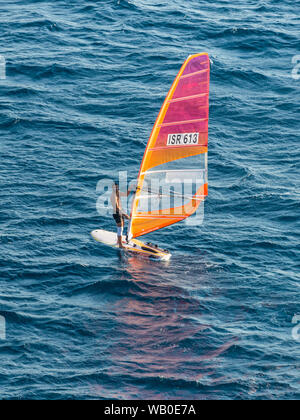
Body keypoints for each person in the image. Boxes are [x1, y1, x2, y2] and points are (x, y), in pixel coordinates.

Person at [111, 181, 132, 248]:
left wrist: (131, 188)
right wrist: (124, 214)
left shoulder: (118, 193)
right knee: (120, 228)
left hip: (120, 212)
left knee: (122, 227)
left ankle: (118, 241)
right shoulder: (113, 196)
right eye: (114, 187)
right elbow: (116, 208)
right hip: (117, 213)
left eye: (117, 187)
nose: (116, 188)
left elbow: (126, 195)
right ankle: (120, 245)